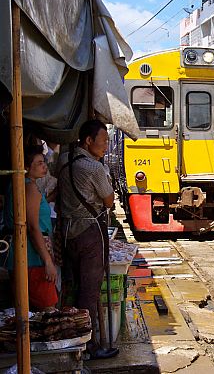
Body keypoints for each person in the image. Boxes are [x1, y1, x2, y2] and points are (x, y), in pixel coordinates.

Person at [57, 120, 118, 360]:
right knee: (89, 292)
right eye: (103, 142)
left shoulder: (64, 161)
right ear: (89, 141)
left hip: (67, 232)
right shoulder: (93, 168)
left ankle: (70, 337)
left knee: (71, 287)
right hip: (90, 233)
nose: (106, 147)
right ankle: (89, 345)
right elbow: (109, 201)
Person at [3, 145, 58, 310]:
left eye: (44, 162)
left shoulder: (21, 185)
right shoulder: (29, 188)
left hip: (25, 254)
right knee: (48, 307)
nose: (44, 166)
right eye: (40, 163)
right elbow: (34, 228)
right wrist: (48, 262)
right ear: (26, 167)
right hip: (32, 256)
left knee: (28, 308)